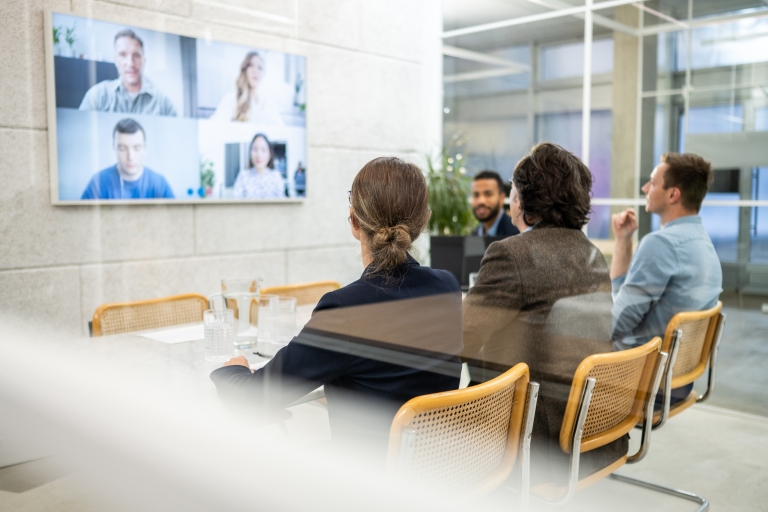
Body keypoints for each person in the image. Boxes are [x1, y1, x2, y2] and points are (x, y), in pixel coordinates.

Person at [210, 157, 463, 460]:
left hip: (363, 484)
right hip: (434, 476)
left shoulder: (346, 309)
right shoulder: (447, 287)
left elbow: (253, 400)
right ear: (423, 220)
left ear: (354, 221)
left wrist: (235, 367)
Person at [462, 142, 619, 485]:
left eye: (513, 192)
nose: (510, 201)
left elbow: (460, 341)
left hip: (533, 434)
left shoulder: (511, 254)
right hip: (589, 423)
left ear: (524, 201)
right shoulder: (591, 252)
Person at [611, 152, 722, 404]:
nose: (645, 188)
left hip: (642, 383)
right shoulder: (703, 244)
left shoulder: (661, 244)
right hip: (678, 382)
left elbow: (616, 324)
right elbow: (624, 297)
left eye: (652, 182)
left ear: (673, 194)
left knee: (555, 343)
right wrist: (623, 240)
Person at [79, 29, 177, 116]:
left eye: (136, 55)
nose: (130, 63)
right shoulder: (97, 96)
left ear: (144, 60)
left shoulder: (163, 102)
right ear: (116, 60)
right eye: (122, 55)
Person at [81, 118, 174, 200]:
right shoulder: (98, 183)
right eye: (122, 149)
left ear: (145, 148)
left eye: (137, 148)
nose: (130, 157)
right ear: (114, 148)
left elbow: (176, 218)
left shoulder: (159, 184)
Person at [211, 51, 283, 124]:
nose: (255, 71)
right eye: (251, 65)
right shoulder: (231, 99)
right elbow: (216, 125)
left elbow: (279, 129)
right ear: (244, 69)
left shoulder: (268, 102)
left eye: (260, 68)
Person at [233, 133, 285, 199]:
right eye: (255, 149)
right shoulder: (243, 177)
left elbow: (282, 205)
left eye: (263, 150)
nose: (259, 155)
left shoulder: (276, 178)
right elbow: (235, 204)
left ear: (269, 154)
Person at [470, 170, 520, 237]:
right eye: (476, 195)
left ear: (502, 198)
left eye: (488, 194)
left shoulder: (516, 233)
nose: (481, 201)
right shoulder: (474, 234)